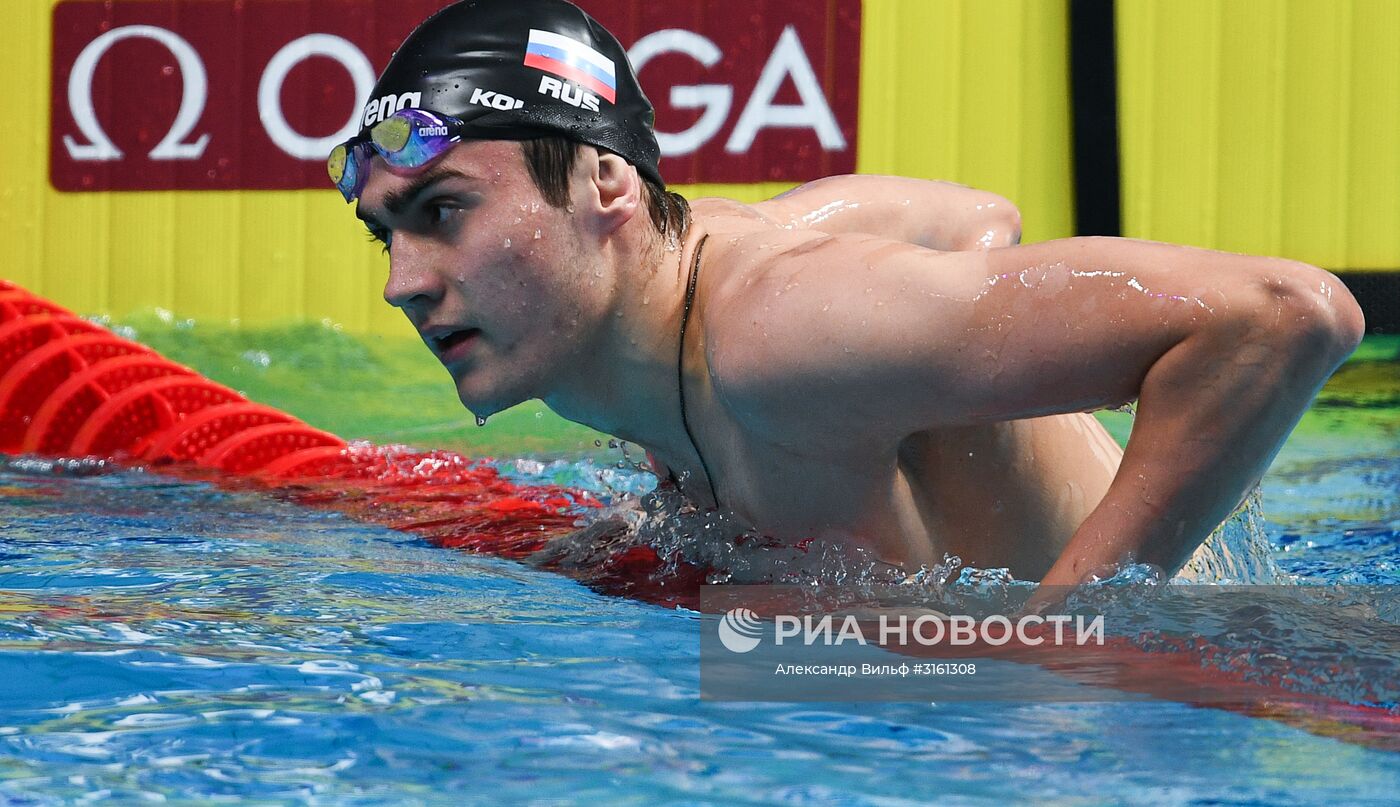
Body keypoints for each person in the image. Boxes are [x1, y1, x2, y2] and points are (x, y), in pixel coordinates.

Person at [329, 0, 1365, 594]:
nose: (401, 283)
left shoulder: (778, 331)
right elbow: (976, 217)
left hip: (1213, 690)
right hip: (911, 669)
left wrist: (1067, 638)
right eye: (386, 233)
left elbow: (1281, 316)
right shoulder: (679, 310)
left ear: (606, 185)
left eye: (445, 212)